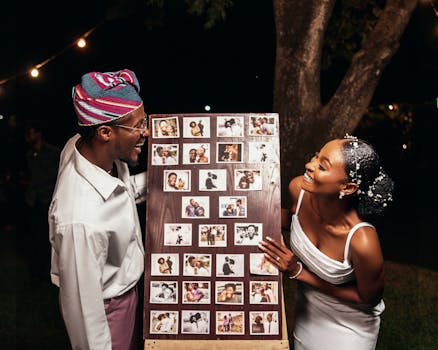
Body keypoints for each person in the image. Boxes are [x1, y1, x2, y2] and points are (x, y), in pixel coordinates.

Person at [258, 135, 394, 350]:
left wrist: (297, 271)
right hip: (308, 312)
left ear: (347, 187)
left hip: (351, 324)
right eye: (316, 156)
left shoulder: (362, 241)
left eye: (322, 165)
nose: (309, 165)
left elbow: (368, 298)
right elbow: (293, 219)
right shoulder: (299, 190)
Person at [48, 69, 148, 350]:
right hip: (108, 311)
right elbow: (83, 314)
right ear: (105, 132)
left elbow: (119, 194)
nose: (146, 132)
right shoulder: (80, 221)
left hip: (127, 294)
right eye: (138, 126)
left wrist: (163, 181)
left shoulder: (80, 147)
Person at [23, 120, 60, 284]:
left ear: (38, 133)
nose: (28, 136)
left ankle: (49, 274)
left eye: (31, 132)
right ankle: (36, 273)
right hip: (33, 201)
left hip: (48, 200)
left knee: (49, 239)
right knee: (34, 238)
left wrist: (34, 183)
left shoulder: (52, 152)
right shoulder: (29, 155)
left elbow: (55, 175)